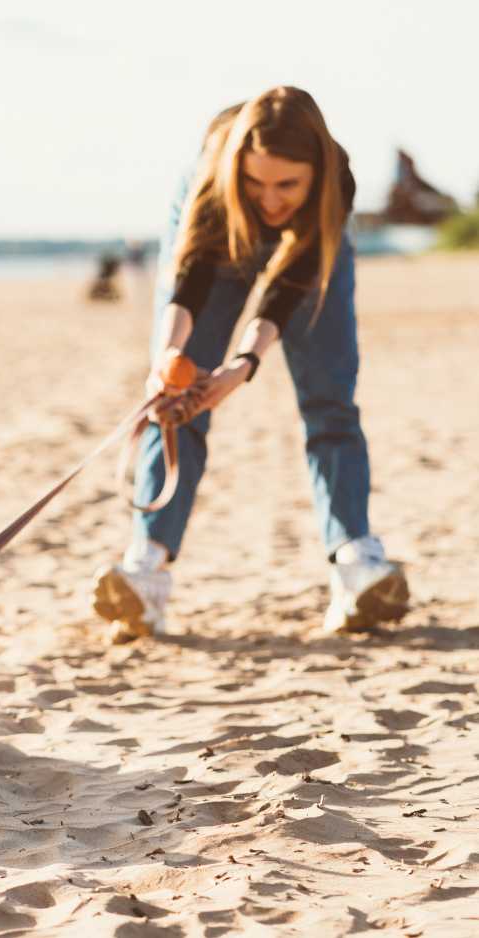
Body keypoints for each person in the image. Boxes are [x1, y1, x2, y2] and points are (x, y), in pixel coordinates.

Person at [92, 86, 409, 644]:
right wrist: (168, 357)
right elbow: (190, 279)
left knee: (330, 397)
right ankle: (147, 569)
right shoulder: (215, 178)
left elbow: (288, 288)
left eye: (287, 184)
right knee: (174, 399)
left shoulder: (338, 180)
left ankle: (356, 563)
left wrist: (242, 365)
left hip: (307, 257)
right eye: (256, 183)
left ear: (314, 174)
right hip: (216, 243)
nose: (270, 200)